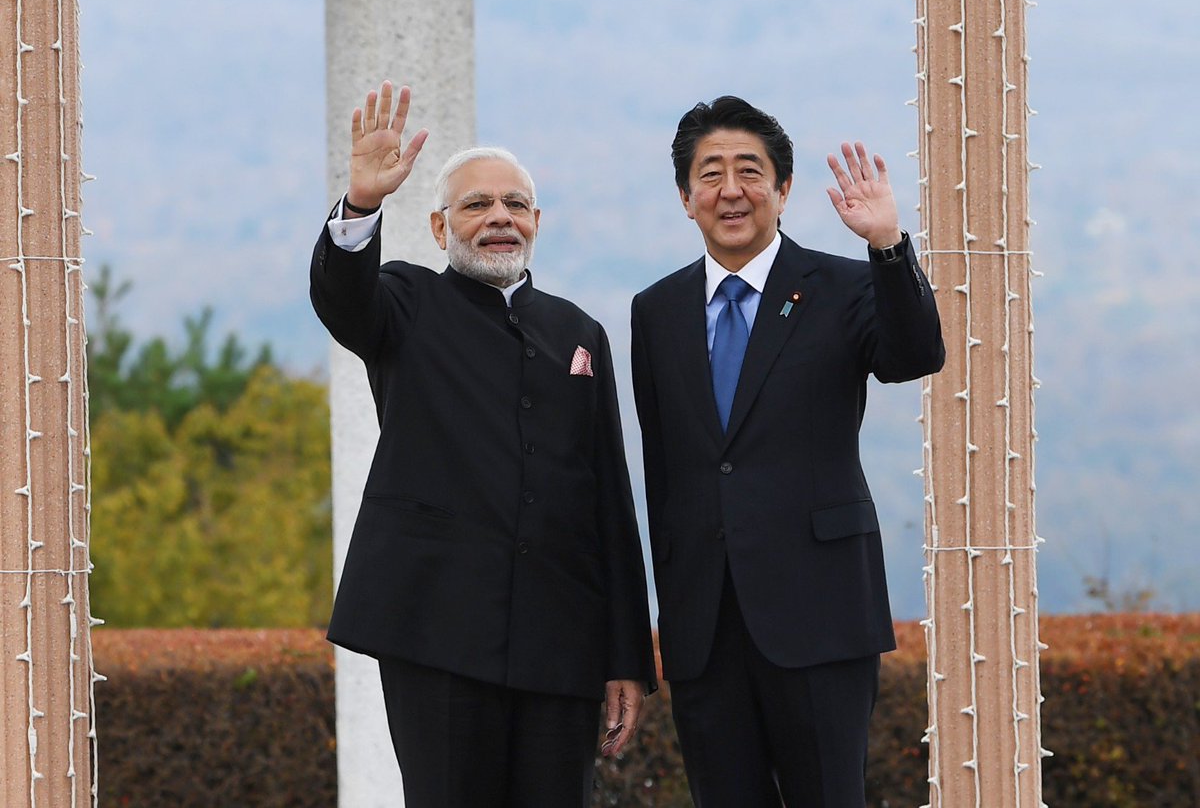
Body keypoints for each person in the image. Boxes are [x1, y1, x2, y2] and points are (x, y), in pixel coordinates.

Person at [311, 80, 656, 808]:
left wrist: (626, 654)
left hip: (560, 642)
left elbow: (610, 502)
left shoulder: (578, 333)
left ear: (536, 222)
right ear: (439, 228)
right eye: (476, 205)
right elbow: (343, 298)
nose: (499, 217)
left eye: (515, 205)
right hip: (435, 632)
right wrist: (363, 204)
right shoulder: (403, 302)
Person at [630, 96, 945, 807]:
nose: (731, 189)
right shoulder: (656, 310)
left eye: (751, 170)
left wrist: (889, 245)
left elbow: (914, 353)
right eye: (710, 174)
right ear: (686, 198)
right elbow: (664, 473)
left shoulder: (845, 285)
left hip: (821, 615)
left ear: (784, 188)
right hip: (704, 629)